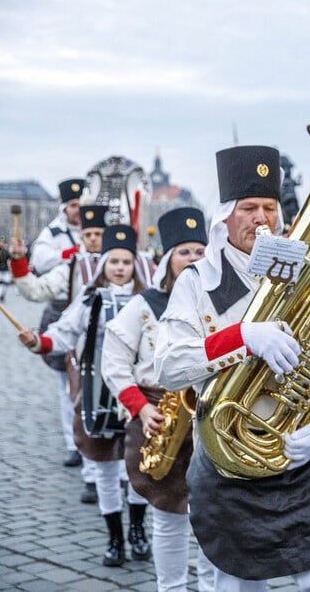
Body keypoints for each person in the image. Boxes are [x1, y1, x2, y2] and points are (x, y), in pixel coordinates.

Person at [154, 145, 310, 590]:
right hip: (230, 458)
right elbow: (167, 365)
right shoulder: (198, 283)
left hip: (303, 453)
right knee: (234, 584)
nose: (261, 218)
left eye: (269, 207)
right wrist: (242, 339)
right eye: (248, 208)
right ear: (224, 215)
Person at [18, 224, 150, 566]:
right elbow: (63, 333)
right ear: (104, 265)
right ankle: (115, 538)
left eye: (126, 261)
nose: (120, 267)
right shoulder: (90, 299)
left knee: (139, 466)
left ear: (134, 265)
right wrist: (39, 342)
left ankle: (137, 529)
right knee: (105, 467)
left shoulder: (148, 301)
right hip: (97, 395)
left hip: (139, 396)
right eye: (114, 261)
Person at [101, 207, 216, 592]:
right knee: (168, 515)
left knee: (213, 516)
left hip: (212, 418)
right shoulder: (145, 304)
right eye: (185, 252)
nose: (194, 259)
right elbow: (114, 362)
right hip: (160, 417)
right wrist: (142, 407)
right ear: (168, 260)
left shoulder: (219, 300)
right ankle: (171, 587)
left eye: (201, 251)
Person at [10, 204, 108, 481]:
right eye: (87, 234)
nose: (92, 239)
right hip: (79, 348)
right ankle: (88, 467)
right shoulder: (71, 267)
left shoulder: (123, 263)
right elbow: (37, 289)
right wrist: (19, 262)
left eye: (98, 233)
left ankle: (121, 477)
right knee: (79, 401)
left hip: (118, 352)